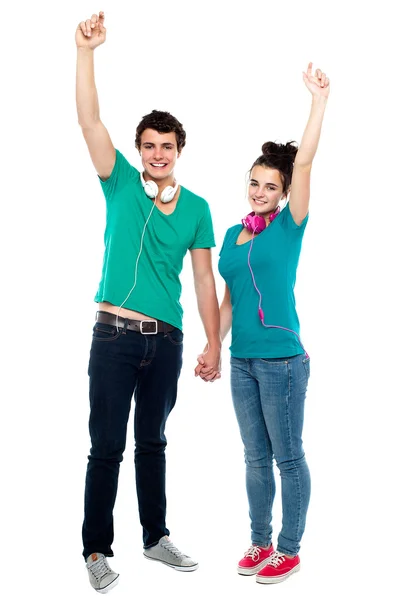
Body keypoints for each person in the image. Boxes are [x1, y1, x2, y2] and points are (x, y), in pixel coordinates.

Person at [76, 11, 221, 593]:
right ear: (138, 151)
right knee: (106, 444)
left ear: (179, 149)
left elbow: (206, 282)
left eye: (166, 146)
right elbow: (89, 120)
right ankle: (95, 550)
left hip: (167, 341)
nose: (157, 154)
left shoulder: (198, 208)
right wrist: (86, 52)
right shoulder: (118, 182)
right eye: (148, 146)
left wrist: (214, 341)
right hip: (113, 336)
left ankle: (156, 537)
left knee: (154, 443)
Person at [198, 62, 330, 584]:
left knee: (287, 458)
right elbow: (229, 302)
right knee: (255, 458)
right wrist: (213, 346)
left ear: (282, 192)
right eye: (253, 182)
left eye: (269, 185)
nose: (258, 191)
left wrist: (318, 102)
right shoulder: (233, 235)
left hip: (283, 363)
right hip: (243, 362)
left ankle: (290, 549)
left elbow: (307, 162)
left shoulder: (289, 226)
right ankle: (260, 542)